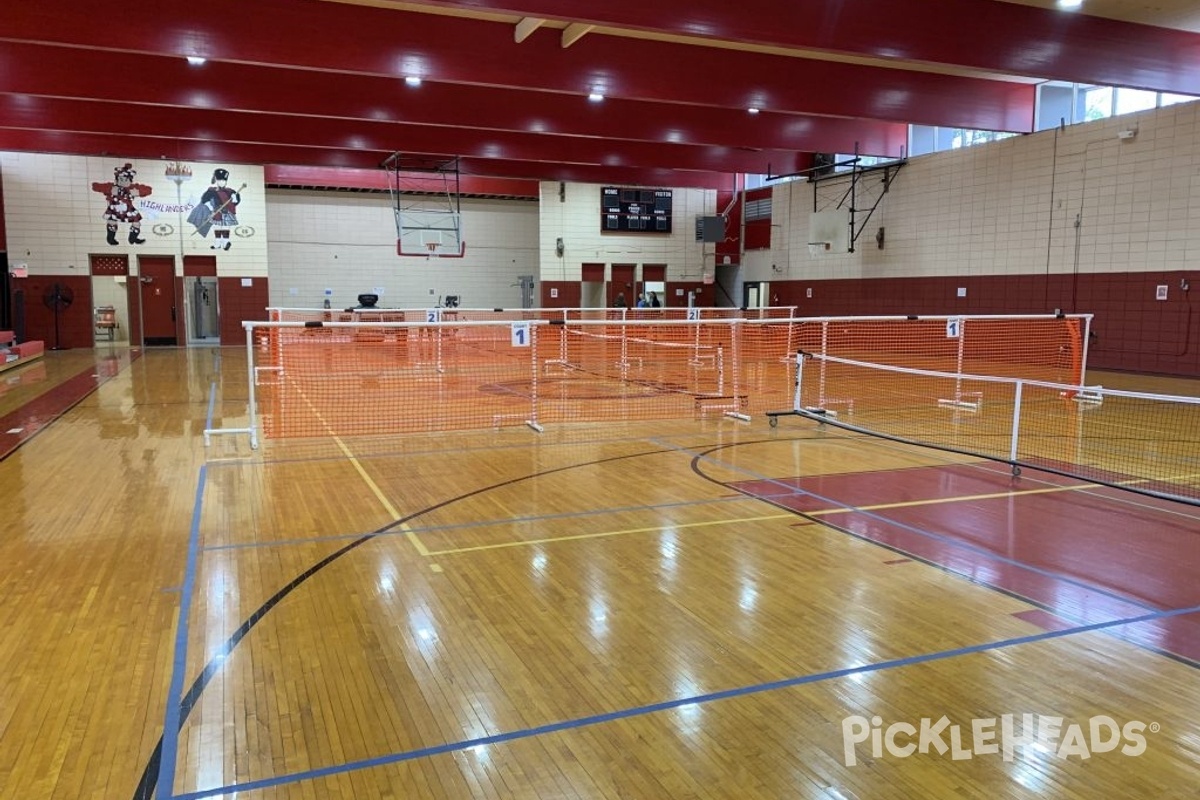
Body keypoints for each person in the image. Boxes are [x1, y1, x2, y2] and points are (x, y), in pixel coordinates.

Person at [91, 163, 152, 245]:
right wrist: (109, 189)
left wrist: (138, 192)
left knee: (136, 223)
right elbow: (95, 186)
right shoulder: (112, 187)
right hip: (114, 209)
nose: (122, 182)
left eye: (125, 180)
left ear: (130, 181)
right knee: (112, 222)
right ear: (116, 180)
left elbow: (148, 190)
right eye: (120, 179)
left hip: (128, 210)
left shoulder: (132, 188)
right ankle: (110, 239)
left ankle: (133, 239)